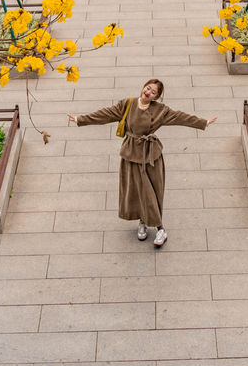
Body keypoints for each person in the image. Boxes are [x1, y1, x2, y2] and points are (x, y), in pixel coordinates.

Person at [67, 78, 217, 247]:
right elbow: (105, 114)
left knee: (151, 190)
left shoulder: (160, 110)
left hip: (150, 156)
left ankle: (160, 229)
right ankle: (143, 222)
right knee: (135, 190)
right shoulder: (127, 104)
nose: (148, 92)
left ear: (157, 97)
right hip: (131, 155)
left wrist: (203, 122)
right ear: (143, 87)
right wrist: (81, 119)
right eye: (148, 88)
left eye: (153, 92)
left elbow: (180, 117)